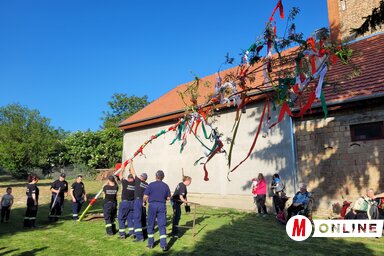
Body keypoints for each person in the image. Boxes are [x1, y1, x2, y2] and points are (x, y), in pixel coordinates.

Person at [143, 170, 171, 251]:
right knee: (162, 225)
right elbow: (169, 198)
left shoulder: (151, 185)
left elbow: (145, 196)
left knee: (151, 224)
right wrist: (165, 197)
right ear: (163, 177)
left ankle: (151, 244)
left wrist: (144, 202)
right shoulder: (166, 186)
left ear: (156, 176)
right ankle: (164, 245)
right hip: (162, 205)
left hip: (152, 205)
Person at [129, 161, 148, 242]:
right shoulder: (147, 184)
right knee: (143, 218)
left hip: (137, 201)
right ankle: (145, 234)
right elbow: (148, 195)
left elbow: (133, 172)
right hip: (144, 202)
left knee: (137, 218)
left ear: (141, 178)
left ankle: (139, 237)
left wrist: (131, 163)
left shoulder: (138, 181)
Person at [117, 165, 135, 239]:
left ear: (128, 178)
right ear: (133, 179)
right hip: (132, 203)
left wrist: (122, 169)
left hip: (124, 203)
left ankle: (122, 234)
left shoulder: (125, 183)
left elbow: (120, 175)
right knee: (130, 218)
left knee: (121, 218)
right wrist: (131, 166)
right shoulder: (135, 184)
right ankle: (132, 232)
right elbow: (134, 174)